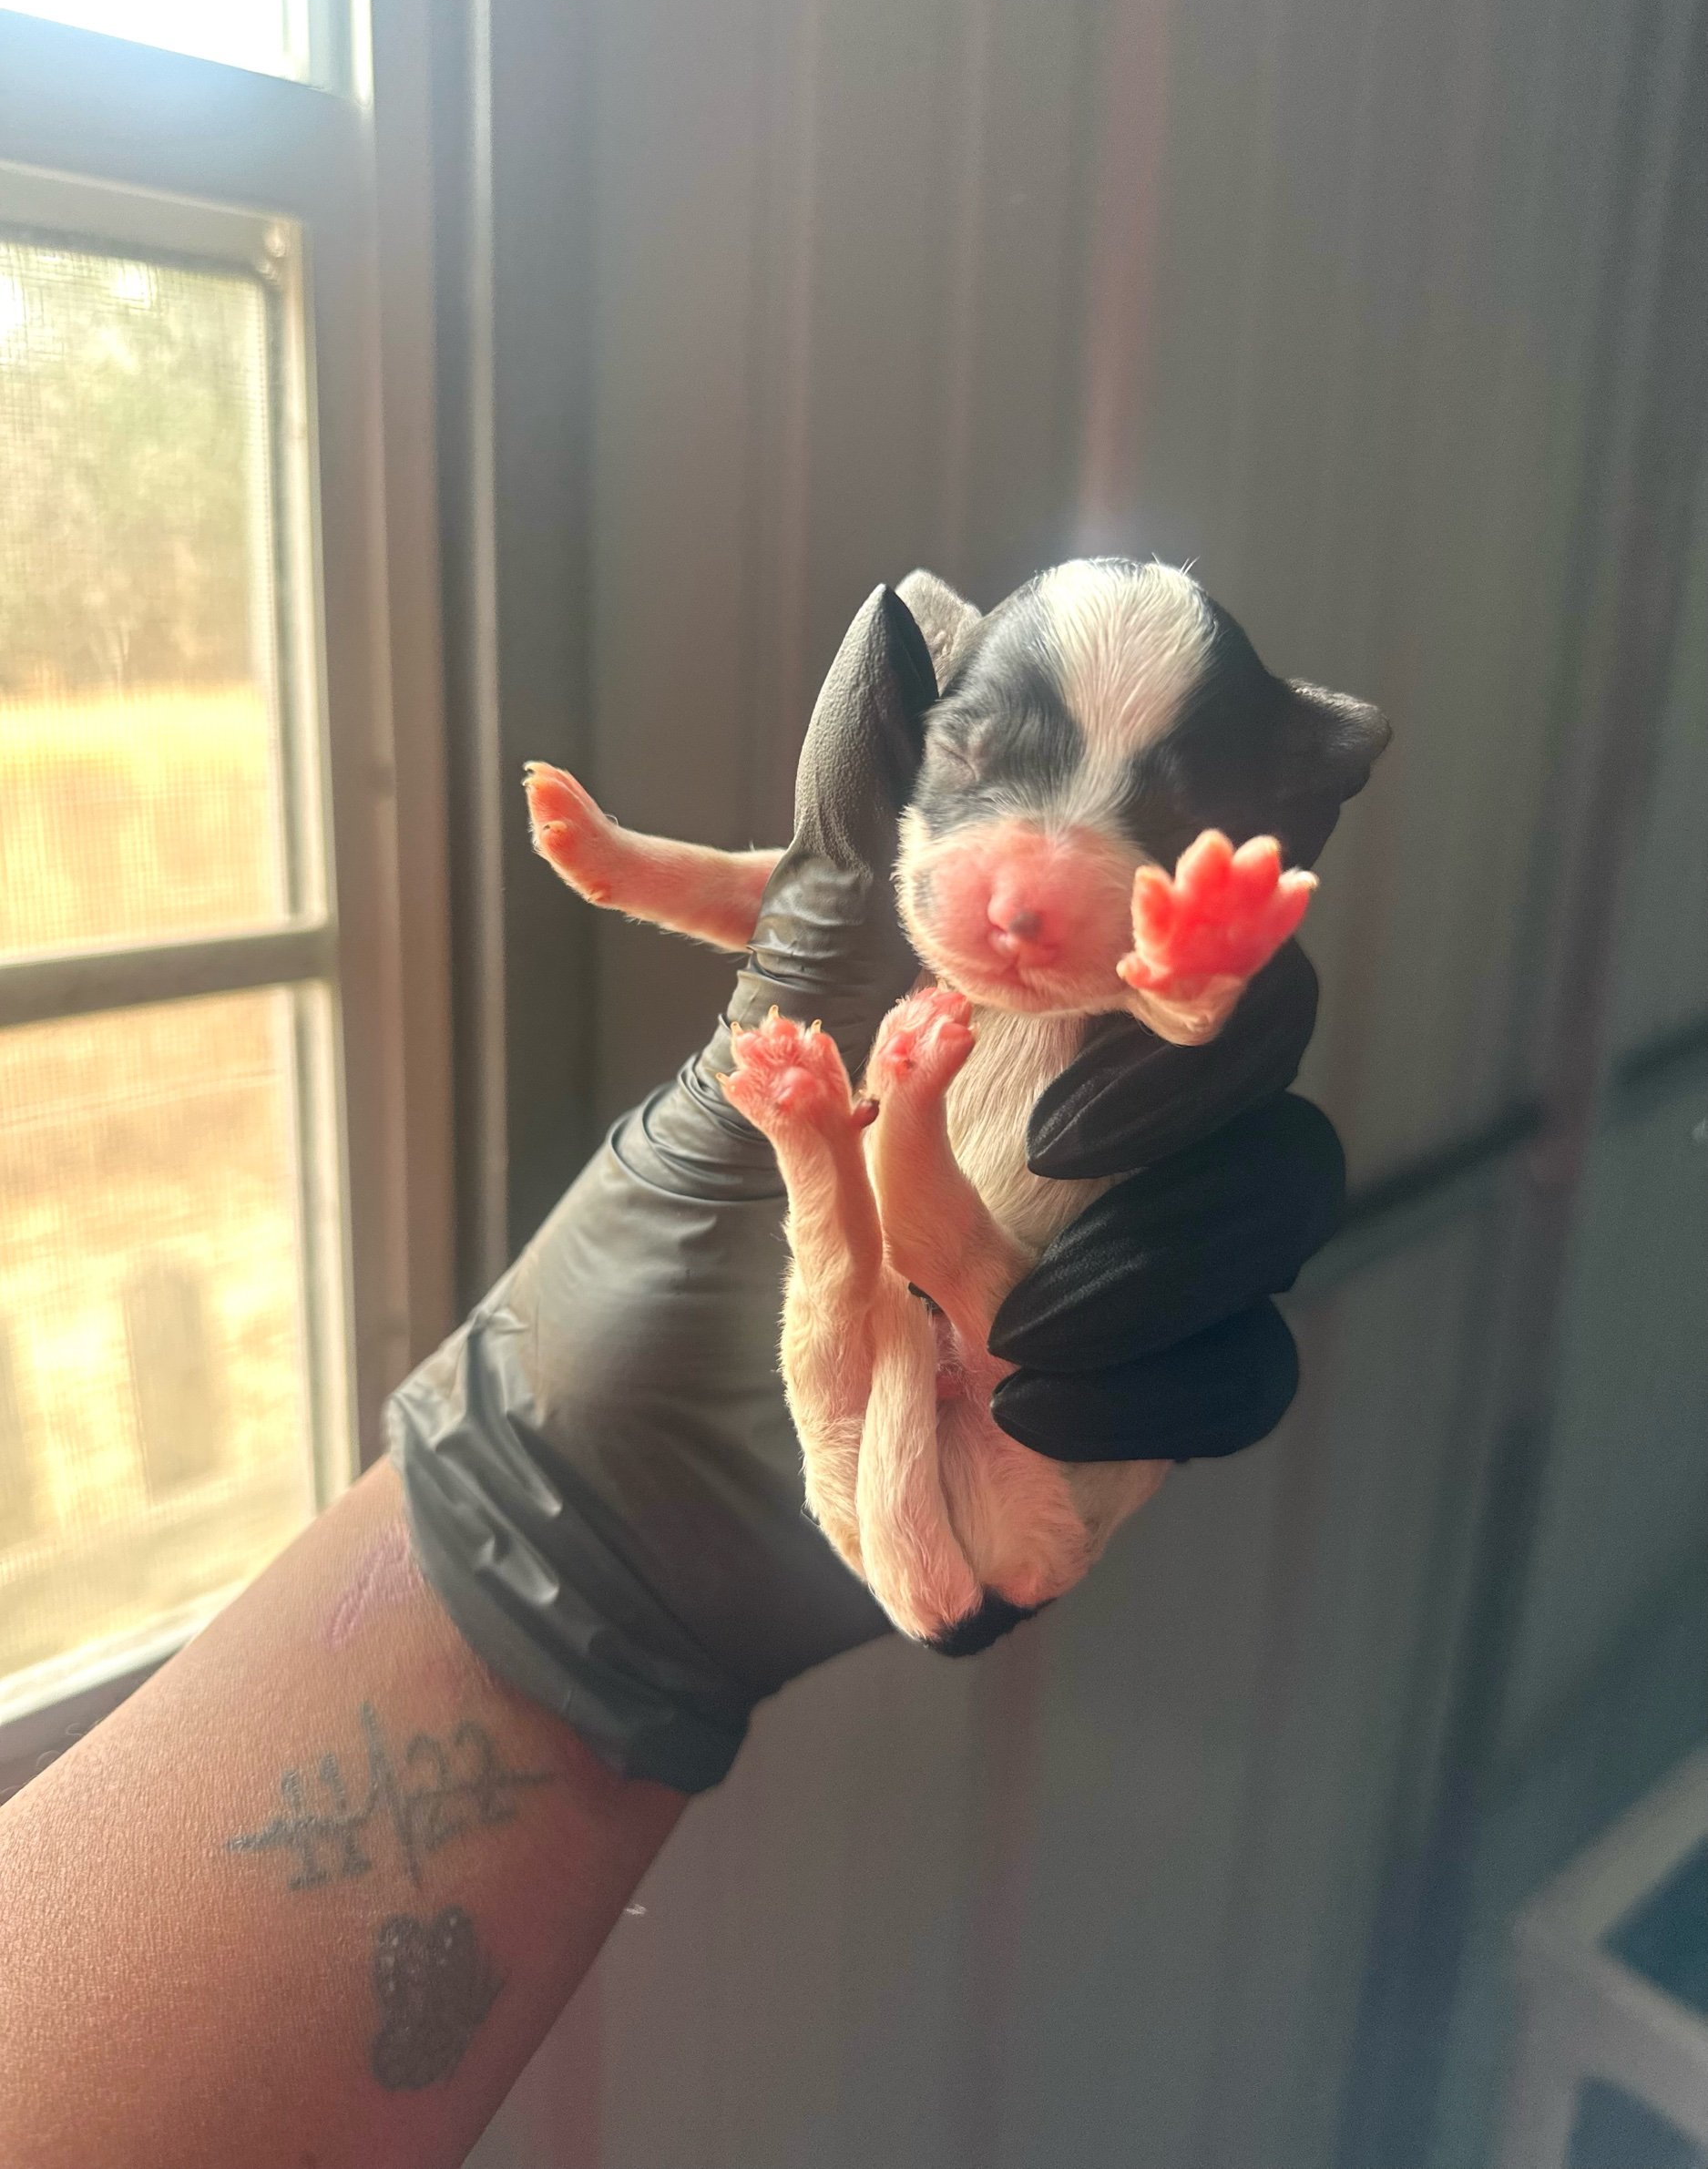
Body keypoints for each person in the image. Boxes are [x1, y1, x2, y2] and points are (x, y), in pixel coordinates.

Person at [0, 589, 1343, 2169]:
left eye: (1150, 816)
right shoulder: (896, 921)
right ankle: (877, 1206)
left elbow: (1170, 1016)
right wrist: (637, 870)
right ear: (936, 722)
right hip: (932, 1383)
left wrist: (1194, 972)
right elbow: (791, 898)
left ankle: (882, 1209)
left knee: (930, 1288)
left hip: (1005, 1399)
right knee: (891, 1279)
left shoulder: (1113, 988)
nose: (1034, 887)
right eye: (990, 759)